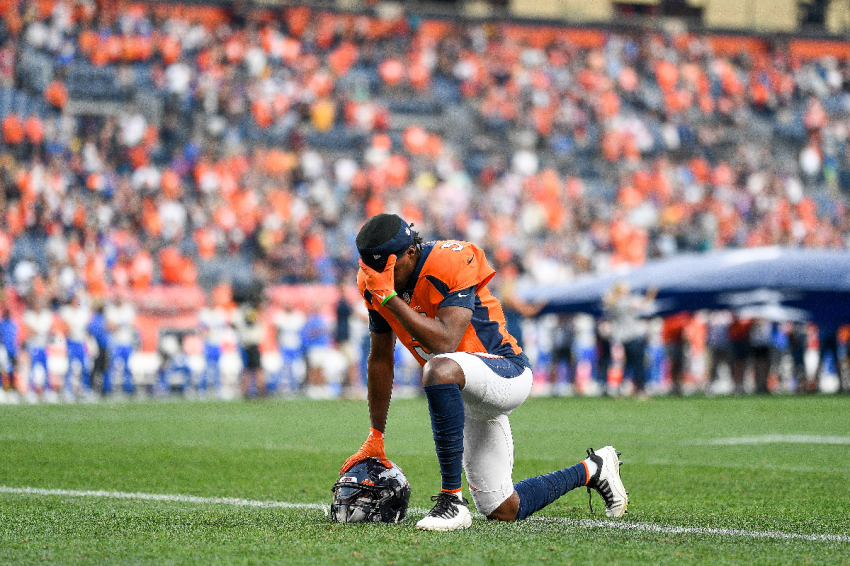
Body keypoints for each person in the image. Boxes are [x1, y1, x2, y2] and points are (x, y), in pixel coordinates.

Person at [340, 213, 628, 531]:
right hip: (464, 388)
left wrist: (391, 300)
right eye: (373, 271)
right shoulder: (373, 283)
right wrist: (375, 436)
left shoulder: (450, 259)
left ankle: (452, 501)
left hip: (506, 372)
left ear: (410, 252)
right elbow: (380, 358)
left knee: (438, 367)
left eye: (387, 269)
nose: (382, 278)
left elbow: (446, 340)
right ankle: (594, 469)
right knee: (503, 507)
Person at [603, 280, 657, 397]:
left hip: (618, 337)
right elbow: (643, 305)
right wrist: (651, 294)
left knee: (622, 364)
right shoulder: (623, 302)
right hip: (629, 337)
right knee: (638, 362)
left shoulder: (612, 302)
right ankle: (640, 389)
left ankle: (617, 388)